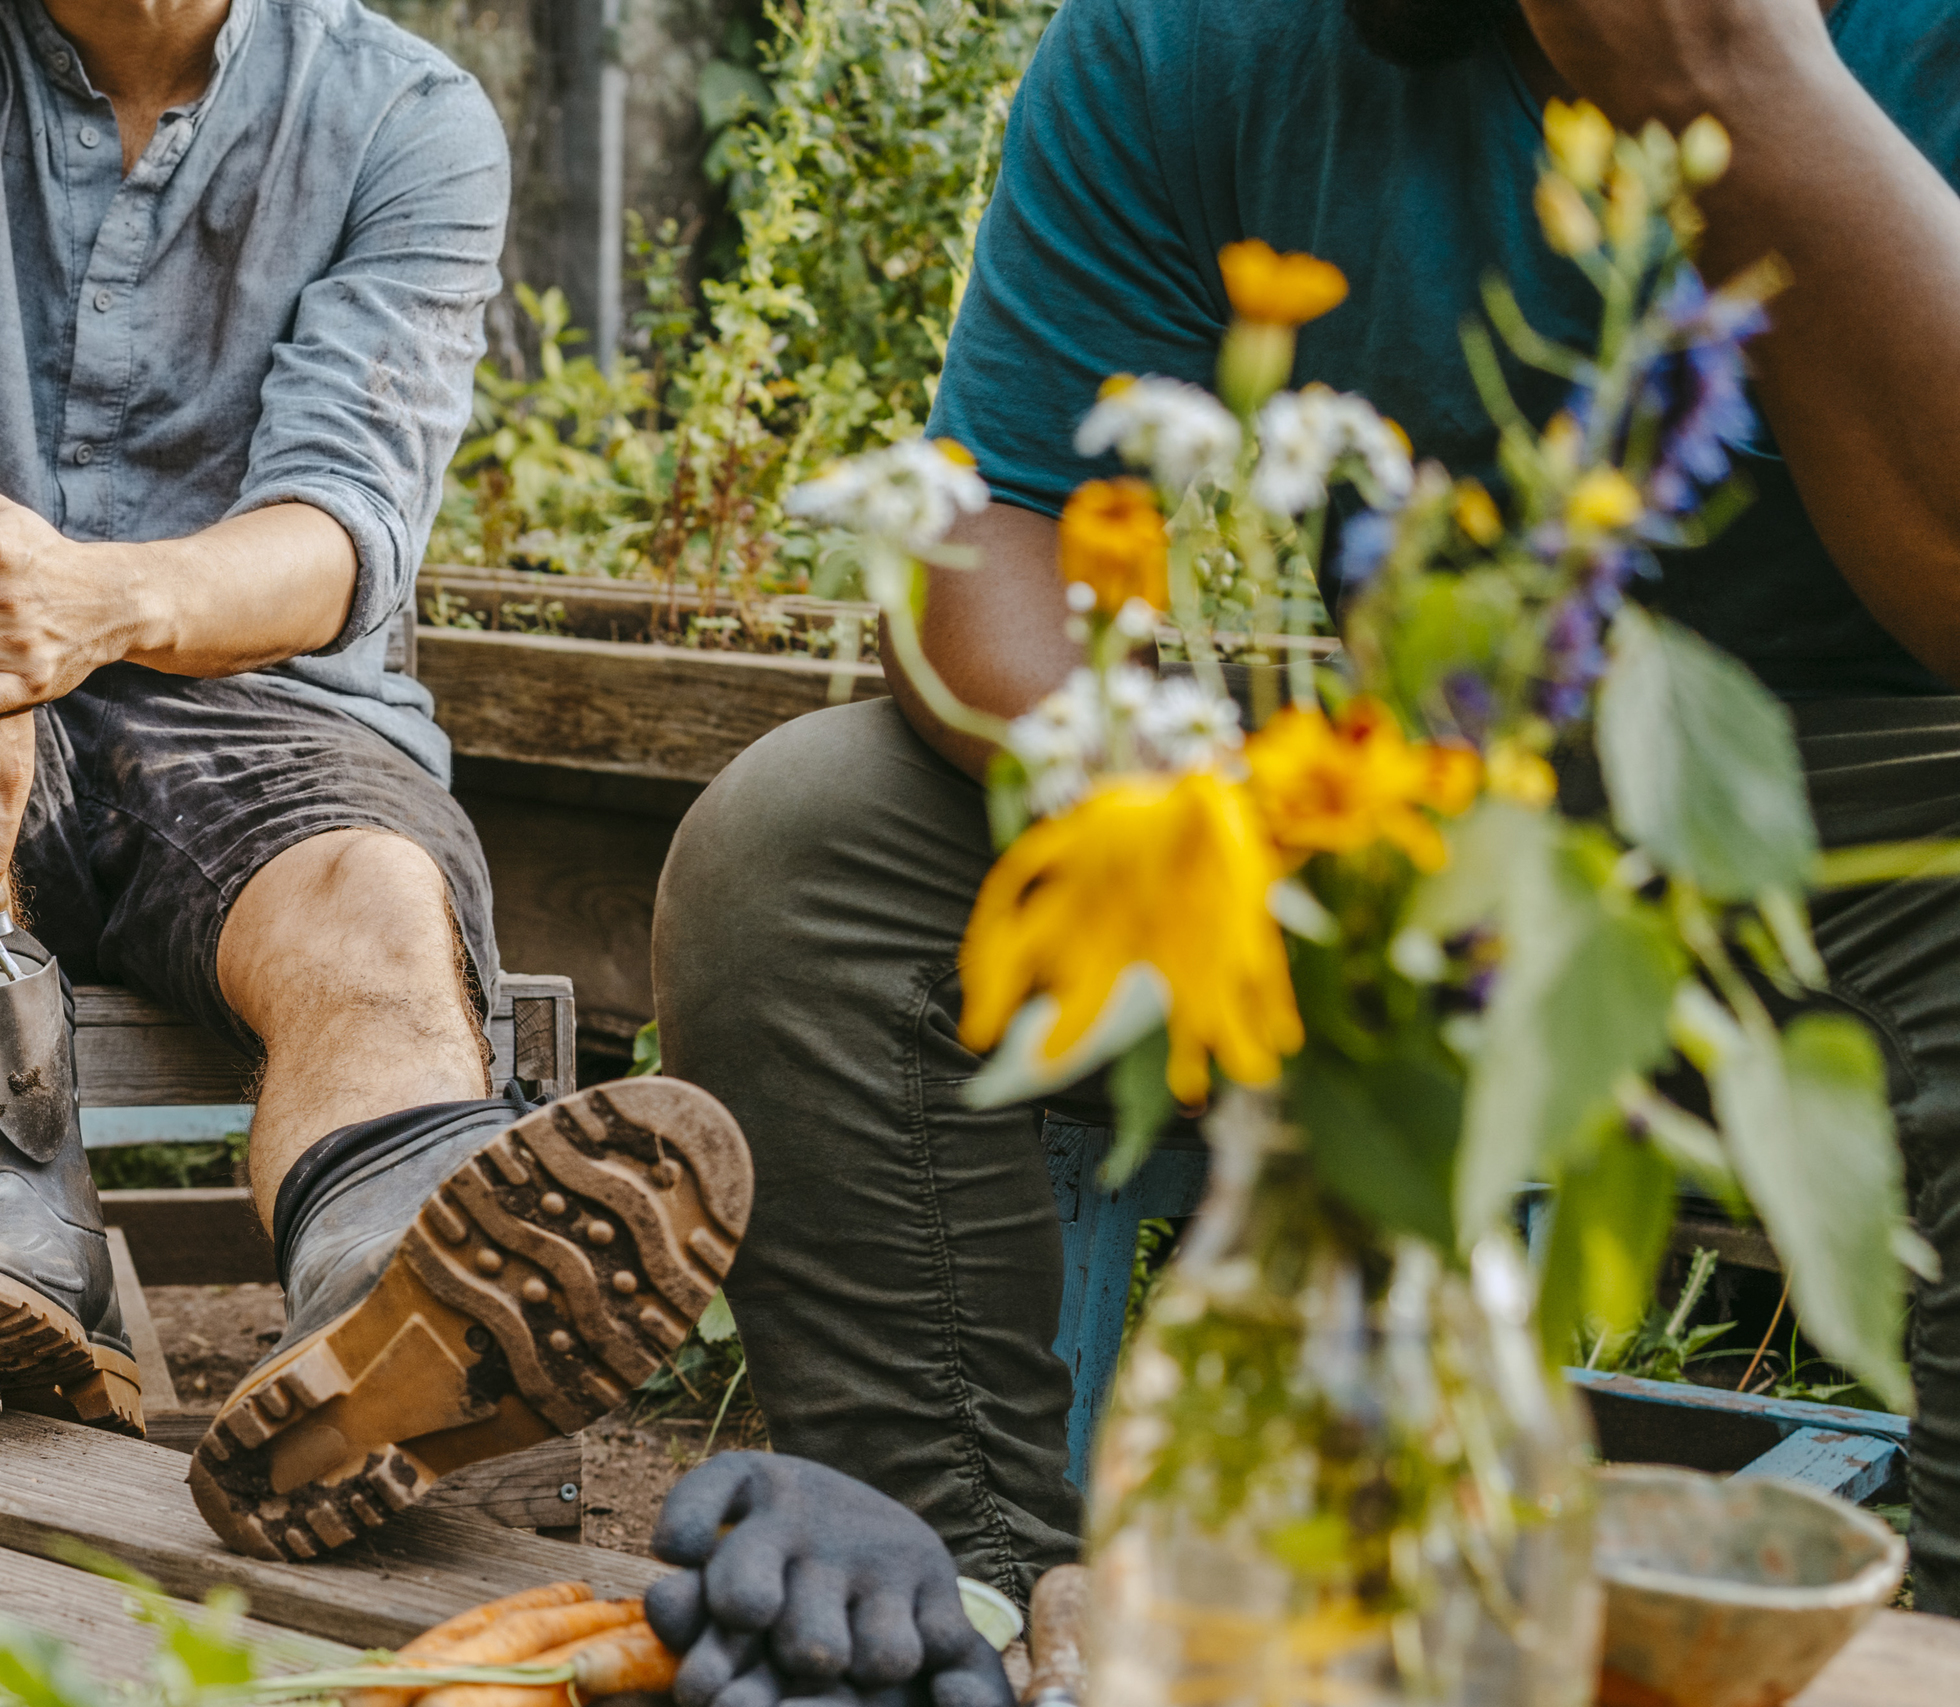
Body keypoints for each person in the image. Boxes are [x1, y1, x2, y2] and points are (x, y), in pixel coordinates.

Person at [651, 0, 1960, 1609]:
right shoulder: (1195, 33)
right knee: (809, 854)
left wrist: (1731, 75)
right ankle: (975, 1631)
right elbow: (1004, 526)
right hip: (1406, 791)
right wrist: (1177, 812)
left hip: (1884, 812)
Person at [0, 0, 753, 1555]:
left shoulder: (405, 114)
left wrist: (91, 606)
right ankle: (26, 1217)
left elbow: (341, 524)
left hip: (261, 707)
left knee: (367, 903)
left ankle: (391, 1302)